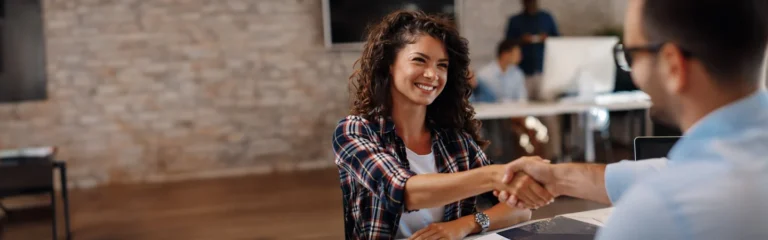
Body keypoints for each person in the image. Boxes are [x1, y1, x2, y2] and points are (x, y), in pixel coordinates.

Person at [497, 0, 768, 239]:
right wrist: (557, 178)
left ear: (673, 66)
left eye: (631, 55)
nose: (632, 70)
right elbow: (664, 171)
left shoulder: (657, 213)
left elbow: (669, 186)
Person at [332, 11, 538, 240]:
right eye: (419, 60)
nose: (432, 74)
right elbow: (404, 192)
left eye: (442, 65)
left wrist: (467, 224)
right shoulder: (354, 132)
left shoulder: (457, 142)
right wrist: (495, 176)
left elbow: (521, 208)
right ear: (389, 63)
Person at [505, 0, 559, 100]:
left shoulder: (546, 18)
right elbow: (507, 45)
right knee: (523, 107)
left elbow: (558, 40)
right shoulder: (515, 20)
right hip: (522, 71)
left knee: (547, 108)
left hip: (544, 70)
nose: (530, 4)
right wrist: (521, 40)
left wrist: (547, 39)